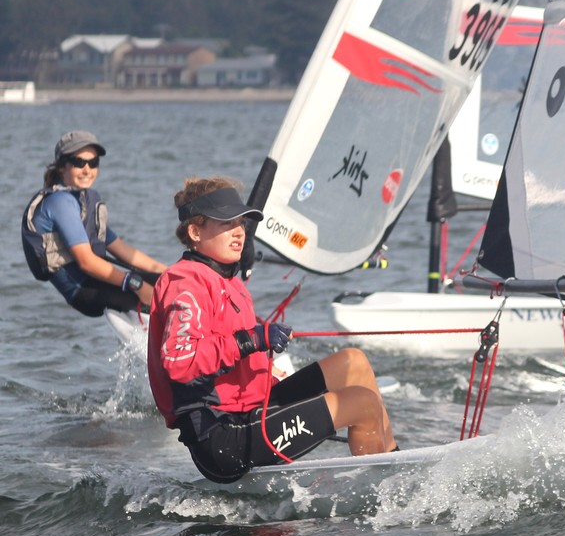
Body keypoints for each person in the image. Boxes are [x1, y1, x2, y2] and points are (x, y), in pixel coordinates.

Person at [147, 176, 397, 484]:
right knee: (362, 403)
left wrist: (266, 367)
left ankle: (397, 466)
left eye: (240, 223)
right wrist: (251, 339)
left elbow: (236, 359)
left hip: (249, 411)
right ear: (195, 232)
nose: (238, 231)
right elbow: (180, 363)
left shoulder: (229, 282)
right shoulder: (186, 282)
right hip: (221, 437)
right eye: (226, 224)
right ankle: (382, 495)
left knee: (353, 363)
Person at [21, 130, 167, 317]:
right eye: (79, 163)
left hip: (99, 282)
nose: (87, 170)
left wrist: (169, 271)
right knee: (162, 296)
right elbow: (87, 262)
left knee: (169, 282)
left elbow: (124, 252)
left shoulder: (83, 201)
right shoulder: (60, 202)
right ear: (62, 167)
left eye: (93, 163)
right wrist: (136, 284)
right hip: (84, 292)